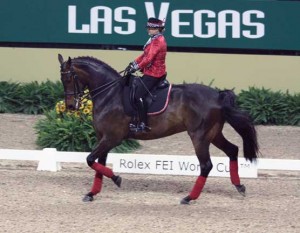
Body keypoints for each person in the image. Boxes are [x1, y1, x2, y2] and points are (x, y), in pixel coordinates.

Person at [126, 17, 167, 132]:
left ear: (157, 29)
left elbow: (149, 59)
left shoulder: (158, 41)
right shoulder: (153, 39)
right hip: (150, 71)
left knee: (138, 95)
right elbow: (144, 55)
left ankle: (143, 123)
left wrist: (137, 67)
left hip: (155, 73)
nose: (148, 30)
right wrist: (134, 63)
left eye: (150, 28)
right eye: (148, 27)